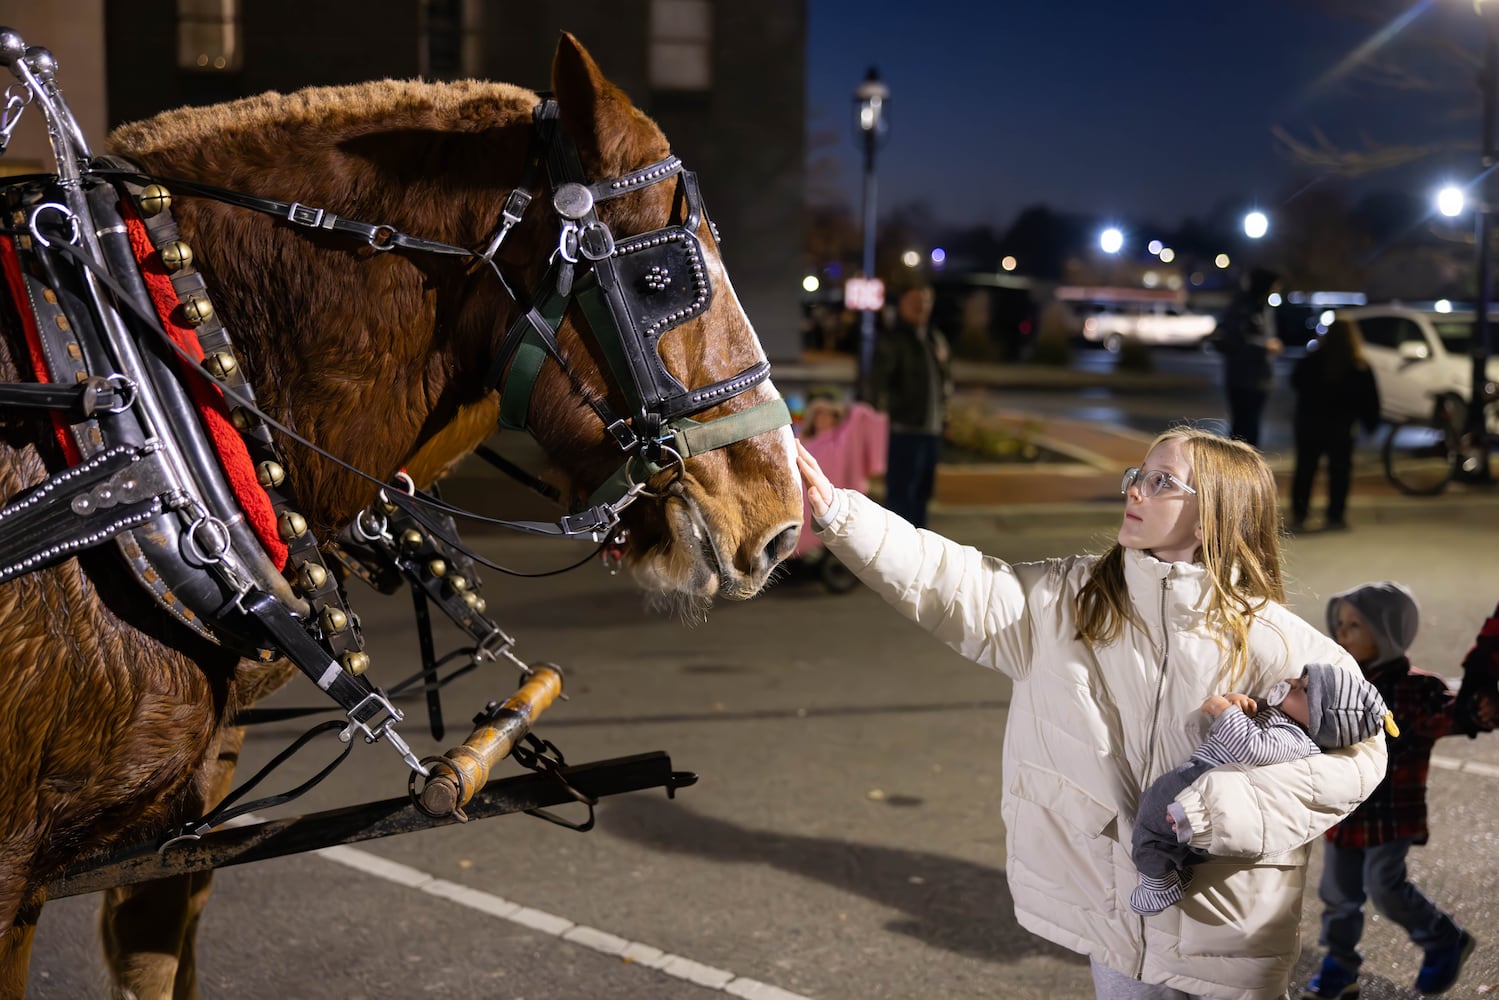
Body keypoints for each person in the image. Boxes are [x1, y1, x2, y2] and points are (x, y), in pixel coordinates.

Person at [796, 426, 1387, 1000]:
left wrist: (1218, 812)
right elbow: (952, 581)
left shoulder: (1277, 641)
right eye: (1137, 476)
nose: (1133, 490)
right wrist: (842, 513)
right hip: (1116, 925)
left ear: (1215, 516)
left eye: (1161, 482)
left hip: (1232, 931)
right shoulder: (1068, 602)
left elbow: (1367, 754)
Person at [1301, 582, 1481, 999]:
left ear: (1387, 631)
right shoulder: (1337, 679)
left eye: (1355, 625)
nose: (1342, 633)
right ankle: (1340, 967)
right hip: (1345, 810)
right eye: (1339, 624)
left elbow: (1448, 716)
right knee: (1337, 895)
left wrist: (1476, 709)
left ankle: (1442, 938)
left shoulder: (1417, 688)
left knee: (1385, 886)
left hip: (1390, 813)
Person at [1131, 663, 1395, 916]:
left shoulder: (1296, 739)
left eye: (1303, 689)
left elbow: (1253, 748)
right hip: (1200, 777)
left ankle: (1160, 885)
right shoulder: (1282, 718)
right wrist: (1240, 703)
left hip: (1200, 782)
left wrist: (1225, 711)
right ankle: (1170, 869)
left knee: (1150, 821)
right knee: (1153, 818)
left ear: (1318, 721)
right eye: (1300, 678)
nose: (1291, 682)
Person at [869, 273, 952, 528]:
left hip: (931, 431)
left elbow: (944, 381)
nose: (921, 306)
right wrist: (891, 414)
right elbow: (876, 386)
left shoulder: (933, 338)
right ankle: (898, 559)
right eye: (914, 301)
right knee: (901, 499)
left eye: (926, 301)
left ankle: (919, 555)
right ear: (902, 304)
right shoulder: (893, 341)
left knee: (922, 497)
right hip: (904, 431)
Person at [1288, 320, 1380, 532]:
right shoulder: (1358, 366)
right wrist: (1370, 424)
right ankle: (1335, 515)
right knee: (1340, 470)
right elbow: (1370, 399)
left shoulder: (1312, 361)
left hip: (1311, 423)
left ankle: (1301, 512)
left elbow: (1296, 382)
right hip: (1341, 426)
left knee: (1306, 468)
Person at [1215, 267, 1284, 448]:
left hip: (1260, 378)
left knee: (1252, 425)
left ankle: (1249, 466)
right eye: (1275, 285)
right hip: (1242, 377)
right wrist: (1265, 346)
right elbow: (1236, 340)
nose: (1277, 289)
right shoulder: (1242, 307)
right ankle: (1237, 467)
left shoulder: (1264, 308)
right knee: (1242, 426)